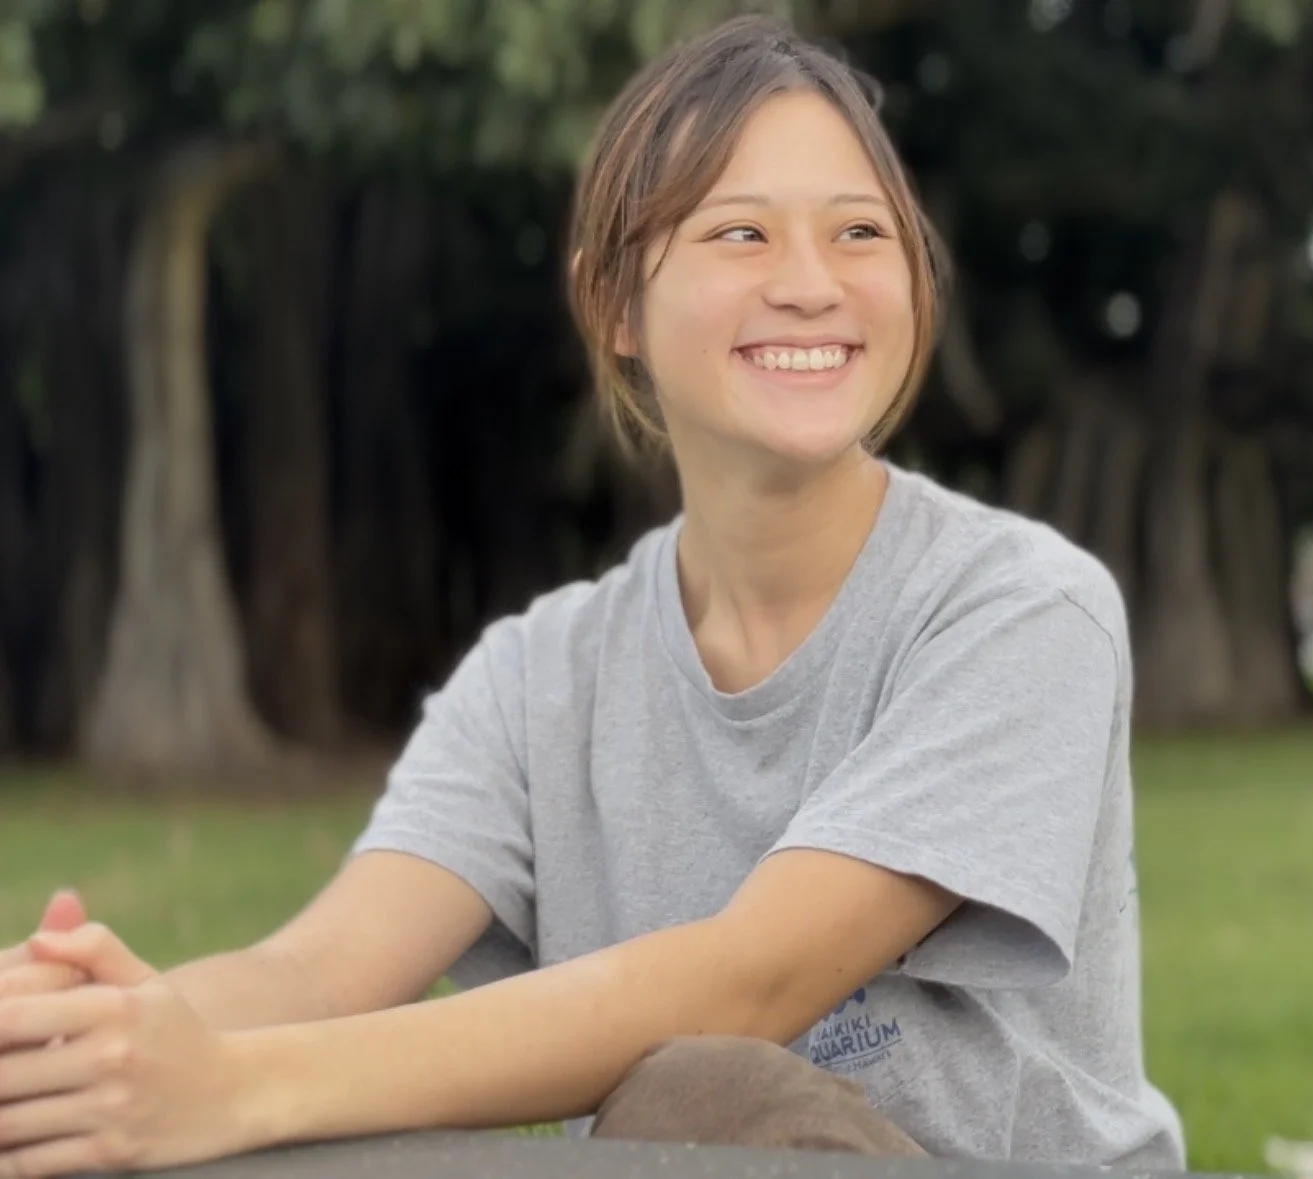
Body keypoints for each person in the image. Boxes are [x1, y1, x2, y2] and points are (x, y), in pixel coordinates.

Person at [0, 15, 1184, 1177]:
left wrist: (235, 1087)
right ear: (613, 304)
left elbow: (747, 980)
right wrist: (88, 1042)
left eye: (860, 232)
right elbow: (314, 978)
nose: (812, 285)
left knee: (701, 1090)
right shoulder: (538, 677)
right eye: (739, 235)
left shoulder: (1018, 611)